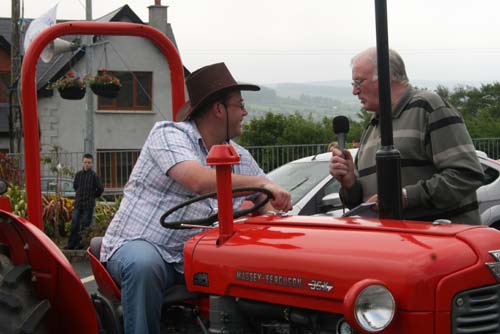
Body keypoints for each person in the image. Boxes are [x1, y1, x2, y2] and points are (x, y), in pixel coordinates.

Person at [100, 62, 292, 334]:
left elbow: (267, 201)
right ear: (218, 109)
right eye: (240, 104)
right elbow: (198, 180)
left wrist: (273, 212)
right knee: (144, 266)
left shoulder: (239, 155)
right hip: (144, 245)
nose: (245, 112)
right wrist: (262, 183)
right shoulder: (168, 134)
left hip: (198, 257)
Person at [329, 47, 484, 224]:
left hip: (440, 244)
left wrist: (405, 197)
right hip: (396, 244)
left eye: (359, 82)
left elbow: (467, 174)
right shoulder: (372, 127)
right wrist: (350, 184)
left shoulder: (428, 107)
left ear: (386, 76)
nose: (355, 91)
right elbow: (365, 202)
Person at [66, 153, 103, 249]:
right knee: (74, 224)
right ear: (82, 163)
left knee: (85, 226)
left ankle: (80, 245)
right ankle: (71, 244)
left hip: (88, 204)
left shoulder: (94, 176)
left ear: (92, 164)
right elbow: (75, 186)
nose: (87, 164)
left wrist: (93, 196)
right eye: (85, 162)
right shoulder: (78, 175)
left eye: (89, 162)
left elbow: (100, 188)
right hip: (78, 203)